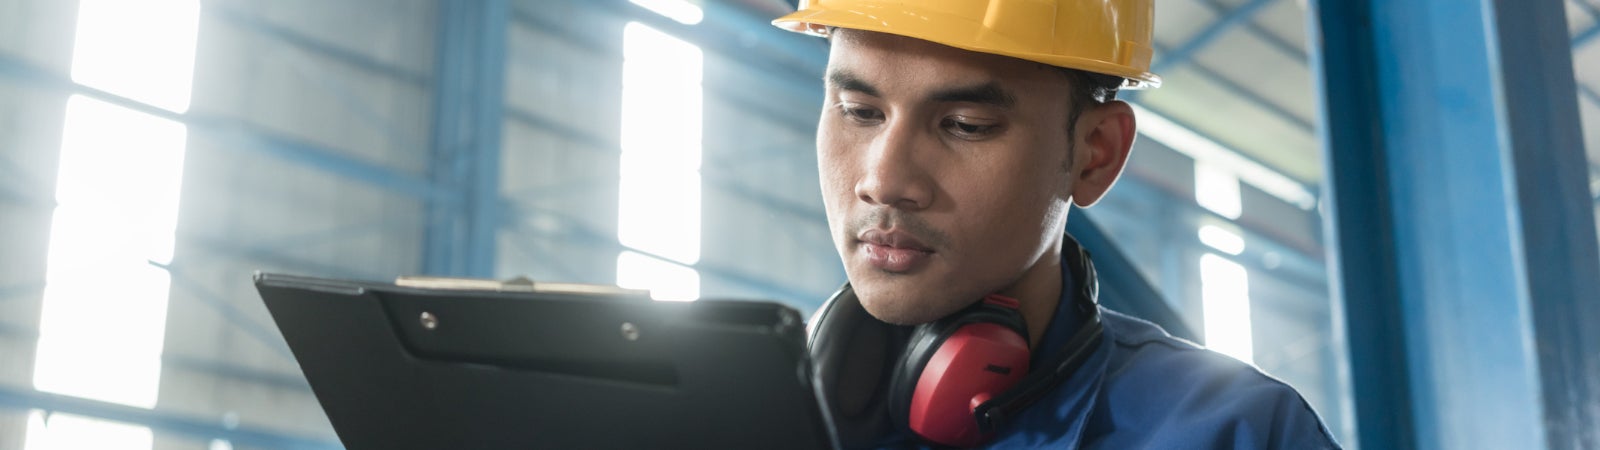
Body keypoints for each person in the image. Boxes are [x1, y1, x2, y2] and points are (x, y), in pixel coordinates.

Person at [772, 1, 1340, 448]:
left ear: (1095, 153)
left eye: (966, 125)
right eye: (859, 112)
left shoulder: (1237, 433)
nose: (884, 180)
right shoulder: (743, 417)